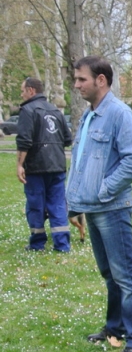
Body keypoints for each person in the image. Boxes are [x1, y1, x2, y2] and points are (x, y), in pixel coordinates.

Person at [67, 56, 132, 352]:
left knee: (125, 275)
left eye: (81, 79)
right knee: (109, 274)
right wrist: (75, 204)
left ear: (100, 80)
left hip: (112, 208)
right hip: (90, 208)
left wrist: (103, 190)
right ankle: (115, 327)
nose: (76, 85)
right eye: (76, 80)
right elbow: (80, 163)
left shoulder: (119, 114)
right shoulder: (89, 116)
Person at [16, 77, 73, 252]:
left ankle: (37, 243)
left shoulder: (28, 110)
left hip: (36, 167)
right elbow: (67, 139)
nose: (22, 94)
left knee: (36, 205)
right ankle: (62, 245)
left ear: (31, 90)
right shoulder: (56, 110)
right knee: (58, 205)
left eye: (23, 90)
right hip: (57, 165)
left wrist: (20, 164)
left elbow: (24, 140)